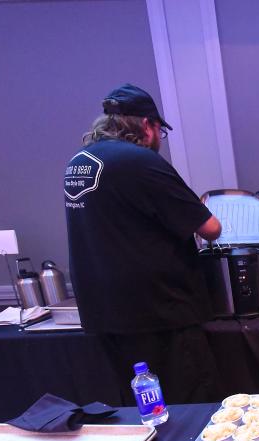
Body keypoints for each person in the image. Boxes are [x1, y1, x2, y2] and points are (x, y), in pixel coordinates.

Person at [64, 83, 222, 404]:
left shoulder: (78, 163)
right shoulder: (139, 162)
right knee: (187, 406)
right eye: (161, 131)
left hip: (104, 313)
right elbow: (210, 228)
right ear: (148, 126)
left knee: (139, 406)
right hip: (158, 313)